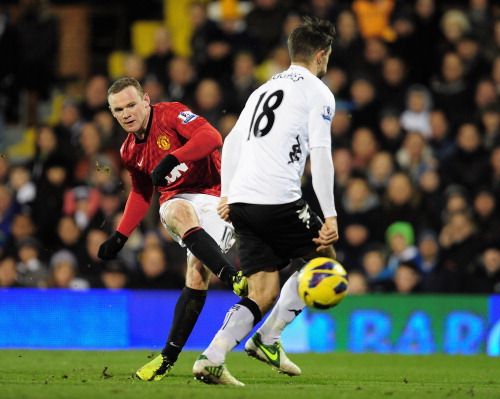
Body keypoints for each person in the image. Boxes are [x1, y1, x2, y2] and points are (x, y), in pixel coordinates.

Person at [192, 16, 339, 386]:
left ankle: (212, 357)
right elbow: (320, 154)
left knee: (263, 290)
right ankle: (268, 338)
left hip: (243, 201)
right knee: (325, 262)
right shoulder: (319, 93)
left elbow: (230, 143)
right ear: (321, 55)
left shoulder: (263, 88)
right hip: (278, 198)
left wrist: (228, 193)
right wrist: (331, 215)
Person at [97, 77, 247, 381]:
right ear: (112, 113)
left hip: (216, 195)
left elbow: (211, 137)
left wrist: (173, 157)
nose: (126, 113)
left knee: (196, 273)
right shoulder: (129, 151)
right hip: (178, 202)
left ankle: (167, 358)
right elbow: (141, 194)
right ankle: (233, 278)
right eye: (118, 110)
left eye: (130, 105)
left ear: (145, 100)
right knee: (176, 209)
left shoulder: (171, 114)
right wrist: (120, 235)